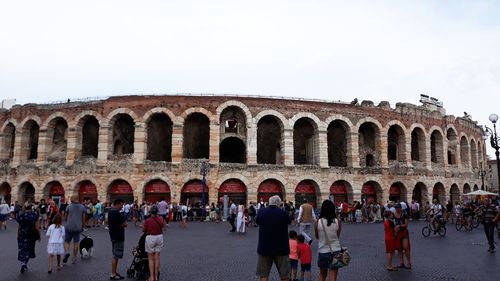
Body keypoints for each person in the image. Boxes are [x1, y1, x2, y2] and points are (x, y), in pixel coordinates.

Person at [255, 195, 291, 281]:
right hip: (281, 248)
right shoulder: (283, 213)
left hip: (265, 248)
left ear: (269, 202)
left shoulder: (262, 212)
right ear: (279, 203)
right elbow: (289, 221)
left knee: (263, 275)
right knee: (285, 275)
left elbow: (257, 221)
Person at [315, 200, 342, 281]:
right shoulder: (338, 221)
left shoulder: (318, 222)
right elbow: (337, 236)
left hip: (323, 251)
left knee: (322, 275)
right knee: (333, 275)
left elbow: (317, 237)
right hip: (336, 251)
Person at [17, 202, 41, 273]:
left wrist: (17, 234)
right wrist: (39, 236)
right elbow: (37, 227)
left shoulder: (21, 215)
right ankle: (25, 263)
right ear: (31, 208)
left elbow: (19, 226)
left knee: (22, 249)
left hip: (22, 234)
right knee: (29, 249)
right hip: (31, 235)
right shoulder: (34, 215)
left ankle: (23, 263)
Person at [143, 205, 164, 281]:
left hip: (150, 237)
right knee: (157, 258)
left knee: (151, 259)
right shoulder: (161, 218)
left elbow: (144, 230)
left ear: (150, 212)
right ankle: (156, 277)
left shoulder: (147, 220)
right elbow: (163, 226)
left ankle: (152, 277)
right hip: (159, 237)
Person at [108, 198, 127, 280]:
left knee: (115, 255)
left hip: (113, 235)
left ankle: (114, 272)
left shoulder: (110, 212)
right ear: (117, 204)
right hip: (118, 236)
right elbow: (125, 224)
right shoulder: (118, 214)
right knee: (116, 256)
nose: (122, 207)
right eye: (121, 205)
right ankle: (113, 274)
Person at [63, 195, 85, 264]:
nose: (70, 199)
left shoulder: (68, 206)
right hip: (78, 227)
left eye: (71, 198)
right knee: (76, 242)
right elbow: (84, 218)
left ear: (73, 199)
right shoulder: (82, 207)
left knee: (67, 241)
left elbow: (65, 217)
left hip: (69, 226)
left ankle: (67, 252)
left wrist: (67, 221)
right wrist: (82, 226)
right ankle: (74, 258)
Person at [393, 203, 411, 269]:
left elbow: (406, 225)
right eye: (396, 208)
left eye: (397, 208)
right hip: (397, 233)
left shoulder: (404, 214)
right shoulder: (394, 214)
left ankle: (409, 263)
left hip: (404, 232)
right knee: (399, 248)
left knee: (406, 248)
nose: (396, 209)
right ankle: (401, 263)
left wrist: (399, 226)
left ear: (400, 208)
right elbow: (392, 222)